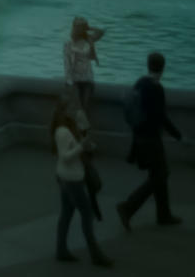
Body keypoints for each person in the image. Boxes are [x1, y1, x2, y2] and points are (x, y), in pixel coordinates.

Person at [117, 51, 184, 230]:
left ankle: (163, 214)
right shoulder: (156, 88)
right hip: (151, 140)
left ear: (148, 65)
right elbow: (161, 117)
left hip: (139, 138)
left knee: (158, 174)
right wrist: (178, 136)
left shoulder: (140, 83)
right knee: (160, 175)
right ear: (163, 68)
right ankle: (128, 207)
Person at [51, 96, 112, 265]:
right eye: (74, 107)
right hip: (71, 179)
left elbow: (80, 144)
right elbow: (65, 156)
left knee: (67, 213)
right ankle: (96, 255)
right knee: (87, 214)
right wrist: (81, 147)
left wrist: (86, 138)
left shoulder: (70, 126)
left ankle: (61, 250)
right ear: (65, 110)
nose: (77, 110)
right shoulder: (62, 131)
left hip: (66, 177)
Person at [63, 17, 105, 111]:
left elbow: (101, 32)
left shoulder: (88, 40)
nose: (78, 29)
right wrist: (69, 83)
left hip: (87, 79)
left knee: (84, 109)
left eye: (81, 26)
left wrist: (89, 28)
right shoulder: (68, 44)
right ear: (73, 27)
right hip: (74, 81)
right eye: (77, 26)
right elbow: (67, 64)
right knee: (75, 110)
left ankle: (82, 125)